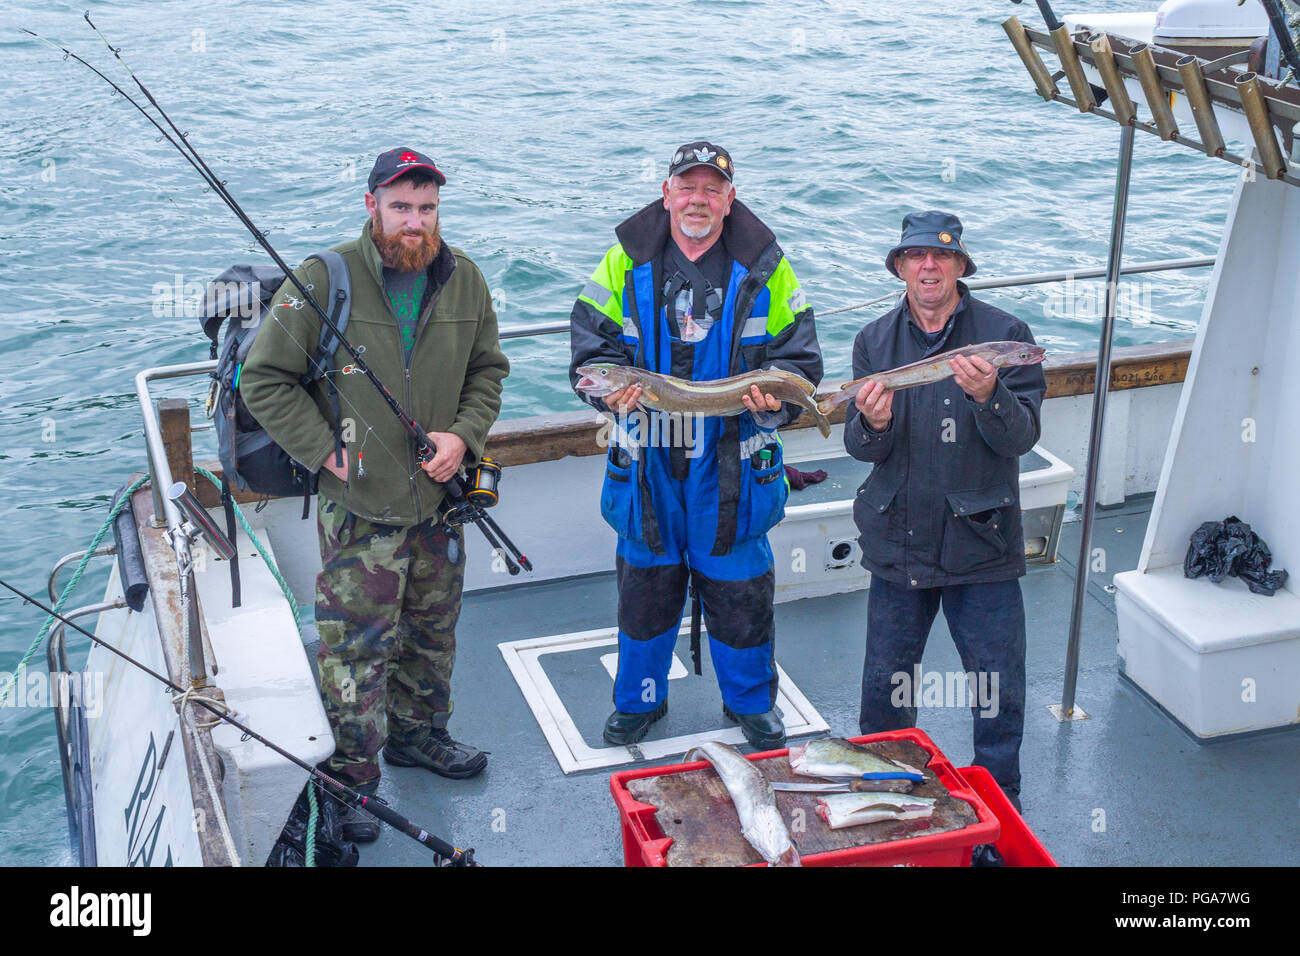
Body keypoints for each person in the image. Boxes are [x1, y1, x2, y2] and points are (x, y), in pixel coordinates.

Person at [241, 148, 509, 842]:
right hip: (360, 513)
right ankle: (350, 782)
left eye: (426, 208)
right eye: (401, 207)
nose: (414, 223)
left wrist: (464, 435)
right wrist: (324, 450)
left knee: (432, 633)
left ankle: (419, 736)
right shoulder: (320, 278)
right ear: (372, 207)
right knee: (353, 651)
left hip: (441, 503)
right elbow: (263, 378)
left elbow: (488, 371)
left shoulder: (468, 280)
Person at [569, 141, 823, 750]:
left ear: (730, 201)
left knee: (740, 591)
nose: (698, 199)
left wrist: (783, 402)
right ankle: (639, 702)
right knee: (646, 591)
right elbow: (590, 351)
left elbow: (801, 359)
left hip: (733, 461)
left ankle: (749, 703)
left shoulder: (770, 268)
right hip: (648, 461)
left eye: (713, 189)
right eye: (688, 187)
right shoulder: (620, 263)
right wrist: (608, 393)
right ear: (667, 194)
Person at [845, 210, 1045, 811]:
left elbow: (1021, 438)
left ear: (960, 265)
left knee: (996, 691)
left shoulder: (1005, 332)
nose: (928, 265)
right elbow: (861, 447)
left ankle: (999, 807)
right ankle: (884, 800)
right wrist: (873, 422)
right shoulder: (873, 341)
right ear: (901, 266)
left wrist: (990, 396)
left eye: (941, 255)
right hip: (897, 540)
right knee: (885, 690)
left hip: (979, 543)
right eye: (916, 256)